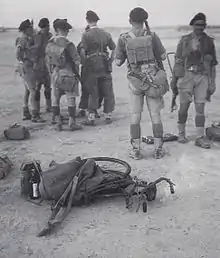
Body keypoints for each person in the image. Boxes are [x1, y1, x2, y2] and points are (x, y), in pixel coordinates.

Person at [115, 7, 169, 160]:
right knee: (155, 115)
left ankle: (136, 149)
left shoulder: (124, 38)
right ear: (144, 20)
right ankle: (158, 148)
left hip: (135, 81)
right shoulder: (152, 35)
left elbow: (118, 62)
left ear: (130, 20)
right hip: (152, 79)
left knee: (135, 115)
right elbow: (164, 56)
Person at [171, 13, 218, 149]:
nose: (200, 28)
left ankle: (199, 137)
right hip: (186, 76)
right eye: (197, 25)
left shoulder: (209, 41)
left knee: (200, 108)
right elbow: (178, 62)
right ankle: (181, 133)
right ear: (192, 25)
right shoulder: (184, 40)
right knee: (184, 107)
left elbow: (213, 64)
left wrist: (212, 82)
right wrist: (174, 81)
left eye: (203, 25)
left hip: (202, 76)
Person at [79, 10, 116, 125]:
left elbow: (82, 51)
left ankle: (91, 118)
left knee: (92, 90)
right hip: (104, 64)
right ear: (97, 20)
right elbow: (114, 48)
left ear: (87, 20)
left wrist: (84, 63)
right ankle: (108, 115)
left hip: (92, 65)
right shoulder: (105, 33)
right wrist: (110, 60)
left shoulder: (86, 34)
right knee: (107, 90)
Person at [45, 19, 82, 131]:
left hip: (56, 74)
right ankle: (72, 122)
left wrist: (52, 72)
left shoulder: (50, 43)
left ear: (56, 30)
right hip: (68, 74)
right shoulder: (68, 44)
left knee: (56, 99)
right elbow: (77, 60)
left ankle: (58, 123)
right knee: (71, 99)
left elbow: (47, 61)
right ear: (65, 30)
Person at [15, 19, 46, 122]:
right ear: (26, 29)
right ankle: (35, 115)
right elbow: (18, 52)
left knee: (28, 90)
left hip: (25, 67)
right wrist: (23, 60)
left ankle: (26, 112)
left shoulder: (25, 38)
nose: (32, 29)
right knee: (33, 90)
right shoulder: (23, 39)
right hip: (27, 67)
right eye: (31, 28)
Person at [34, 18, 53, 114]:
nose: (48, 28)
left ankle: (48, 107)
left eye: (48, 26)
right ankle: (36, 110)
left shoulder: (50, 36)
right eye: (46, 27)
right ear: (41, 27)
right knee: (37, 88)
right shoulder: (37, 37)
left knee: (48, 86)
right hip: (38, 64)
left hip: (47, 63)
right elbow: (34, 51)